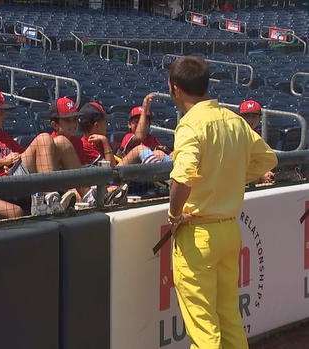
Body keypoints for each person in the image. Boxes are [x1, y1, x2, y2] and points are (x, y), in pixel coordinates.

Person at [166, 56, 277, 349]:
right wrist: (234, 177)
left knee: (204, 331)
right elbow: (268, 159)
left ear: (175, 88)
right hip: (229, 229)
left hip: (198, 232)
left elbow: (182, 178)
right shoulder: (234, 121)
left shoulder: (191, 125)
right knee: (228, 318)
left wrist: (174, 213)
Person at [0, 89, 81, 214]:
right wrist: (3, 161)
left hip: (17, 181)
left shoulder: (3, 136)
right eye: (1, 112)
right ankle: (51, 199)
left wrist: (12, 161)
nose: (4, 116)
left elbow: (25, 157)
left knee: (62, 141)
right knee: (43, 138)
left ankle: (88, 196)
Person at [118, 96, 172, 165]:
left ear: (149, 125)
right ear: (129, 125)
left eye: (144, 122)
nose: (140, 124)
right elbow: (139, 136)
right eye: (136, 122)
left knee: (163, 154)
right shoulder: (128, 136)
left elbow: (160, 151)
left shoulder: (151, 138)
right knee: (150, 151)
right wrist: (145, 108)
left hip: (145, 170)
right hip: (129, 169)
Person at [238, 99, 275, 184]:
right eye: (247, 116)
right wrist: (261, 175)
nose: (250, 120)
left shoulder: (257, 134)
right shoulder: (236, 135)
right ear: (239, 117)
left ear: (259, 118)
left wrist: (266, 172)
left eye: (254, 116)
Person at [78, 101, 116, 167]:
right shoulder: (84, 146)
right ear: (97, 125)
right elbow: (110, 169)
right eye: (105, 120)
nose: (107, 124)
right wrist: (105, 142)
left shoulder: (100, 141)